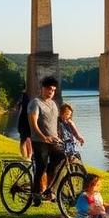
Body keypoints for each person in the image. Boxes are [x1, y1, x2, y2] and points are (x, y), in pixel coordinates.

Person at [28, 76, 61, 206]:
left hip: (53, 140)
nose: (51, 92)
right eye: (48, 89)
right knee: (41, 167)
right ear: (42, 88)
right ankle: (36, 193)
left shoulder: (53, 104)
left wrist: (58, 135)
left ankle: (49, 190)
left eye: (53, 90)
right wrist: (43, 136)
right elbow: (33, 123)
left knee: (60, 159)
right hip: (39, 141)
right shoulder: (35, 103)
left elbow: (54, 123)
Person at [16, 89, 32, 159]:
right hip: (27, 125)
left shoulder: (22, 104)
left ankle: (24, 156)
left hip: (23, 124)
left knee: (23, 141)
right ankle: (28, 156)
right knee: (28, 141)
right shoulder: (29, 104)